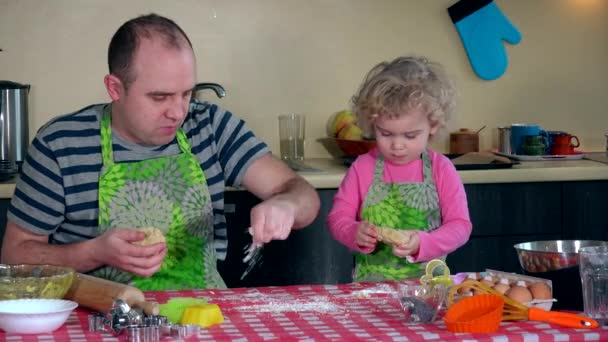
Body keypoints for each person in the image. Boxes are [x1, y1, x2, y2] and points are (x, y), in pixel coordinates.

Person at [0, 13, 320, 290]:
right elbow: (14, 256)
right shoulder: (61, 146)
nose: (177, 112)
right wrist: (95, 252)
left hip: (201, 315)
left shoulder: (210, 126)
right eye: (159, 97)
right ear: (115, 88)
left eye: (186, 94)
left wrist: (286, 205)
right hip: (99, 318)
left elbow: (305, 196)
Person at [327, 56, 472, 282]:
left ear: (433, 126)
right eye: (385, 134)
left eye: (410, 135)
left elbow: (460, 226)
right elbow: (338, 218)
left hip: (429, 290)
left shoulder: (441, 169)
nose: (397, 145)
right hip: (369, 292)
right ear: (372, 124)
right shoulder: (362, 168)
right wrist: (353, 232)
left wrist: (423, 243)